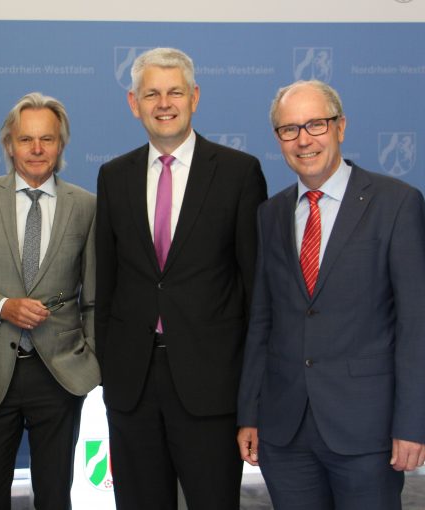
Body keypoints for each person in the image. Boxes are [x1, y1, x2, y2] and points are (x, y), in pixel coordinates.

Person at [237, 80, 425, 510]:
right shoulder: (270, 214)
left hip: (368, 432)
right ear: (279, 139)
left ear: (341, 126)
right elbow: (263, 321)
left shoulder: (397, 203)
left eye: (316, 124)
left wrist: (416, 423)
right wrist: (250, 413)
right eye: (290, 129)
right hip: (285, 431)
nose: (304, 139)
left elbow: (418, 323)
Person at [95, 47, 267, 509]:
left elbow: (255, 291)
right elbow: (106, 286)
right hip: (133, 386)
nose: (163, 103)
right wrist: (112, 376)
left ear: (195, 97)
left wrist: (251, 394)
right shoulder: (114, 176)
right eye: (151, 93)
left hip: (212, 386)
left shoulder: (238, 173)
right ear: (134, 103)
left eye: (174, 92)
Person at [0, 92, 99, 510]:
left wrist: (91, 360)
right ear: (8, 145)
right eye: (26, 139)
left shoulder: (85, 205)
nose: (37, 149)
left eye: (47, 139)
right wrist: (2, 307)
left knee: (55, 496)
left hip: (60, 374)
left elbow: (93, 294)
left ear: (61, 145)